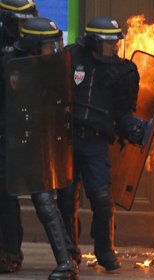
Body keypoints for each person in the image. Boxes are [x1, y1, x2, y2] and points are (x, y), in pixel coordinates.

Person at [57, 16, 149, 271]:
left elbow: (123, 111)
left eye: (116, 41)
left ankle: (105, 250)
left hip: (96, 142)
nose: (116, 46)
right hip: (66, 139)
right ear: (95, 41)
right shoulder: (69, 58)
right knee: (65, 199)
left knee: (101, 198)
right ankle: (69, 252)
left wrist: (134, 128)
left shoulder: (123, 71)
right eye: (110, 42)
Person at [2, 17, 78, 279]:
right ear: (33, 45)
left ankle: (66, 261)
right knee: (4, 200)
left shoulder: (50, 67)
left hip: (35, 141)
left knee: (45, 202)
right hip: (8, 142)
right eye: (48, 45)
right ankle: (9, 254)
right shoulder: (6, 62)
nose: (53, 50)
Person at [0, 0, 38, 273]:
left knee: (7, 195)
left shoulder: (33, 45)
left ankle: (11, 251)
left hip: (19, 132)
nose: (24, 26)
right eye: (20, 21)